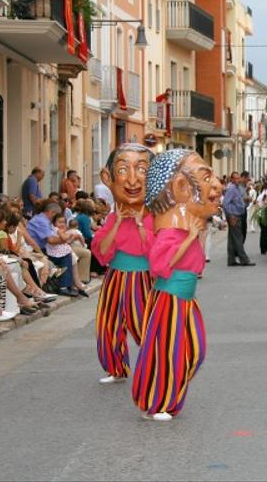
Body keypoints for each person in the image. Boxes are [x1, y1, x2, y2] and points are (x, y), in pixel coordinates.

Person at [132, 149, 221, 421]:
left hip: (184, 298)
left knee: (193, 351)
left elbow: (195, 265)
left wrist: (196, 234)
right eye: (207, 178)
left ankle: (167, 397)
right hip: (169, 300)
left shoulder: (182, 230)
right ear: (181, 187)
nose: (217, 184)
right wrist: (189, 238)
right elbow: (161, 266)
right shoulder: (171, 233)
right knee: (169, 352)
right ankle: (159, 403)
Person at [91, 144, 155, 385]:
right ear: (108, 178)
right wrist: (118, 222)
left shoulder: (155, 216)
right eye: (122, 170)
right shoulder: (111, 217)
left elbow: (155, 251)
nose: (131, 180)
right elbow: (102, 252)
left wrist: (139, 224)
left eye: (141, 170)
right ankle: (115, 368)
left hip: (144, 278)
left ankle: (154, 364)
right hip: (115, 276)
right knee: (108, 323)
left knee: (145, 325)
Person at [222, 172, 254, 267]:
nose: (238, 180)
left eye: (238, 178)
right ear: (231, 179)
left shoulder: (236, 189)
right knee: (238, 238)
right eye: (235, 178)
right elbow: (225, 203)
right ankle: (244, 260)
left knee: (232, 239)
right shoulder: (231, 189)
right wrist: (230, 215)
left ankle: (231, 260)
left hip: (237, 214)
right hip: (234, 216)